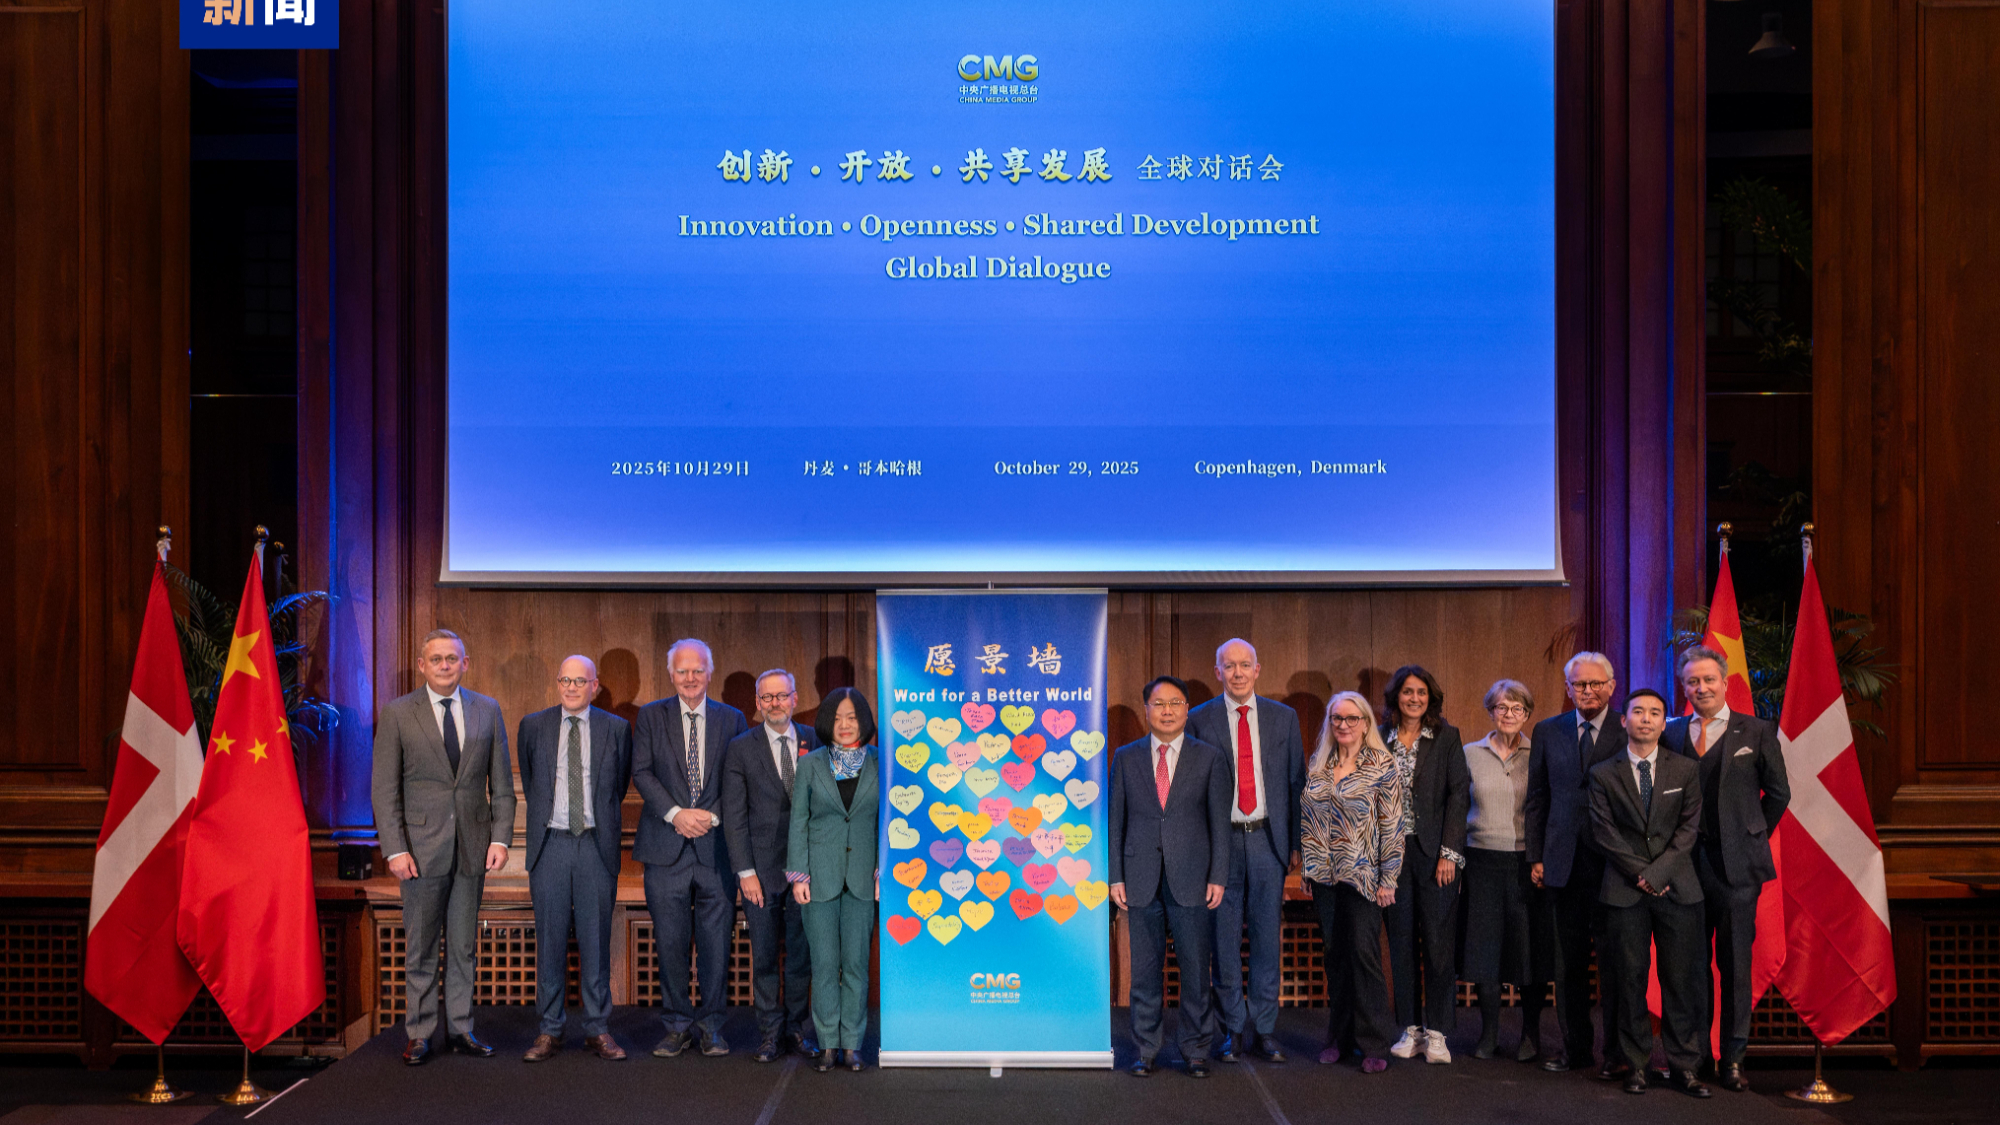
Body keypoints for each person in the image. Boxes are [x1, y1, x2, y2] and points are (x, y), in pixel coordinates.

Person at [370, 629, 515, 1066]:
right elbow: (384, 789)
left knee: (464, 946)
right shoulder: (398, 713)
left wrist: (500, 838)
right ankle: (419, 1033)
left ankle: (461, 1029)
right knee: (421, 948)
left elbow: (502, 786)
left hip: (473, 847)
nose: (445, 666)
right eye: (436, 659)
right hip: (418, 851)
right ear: (422, 665)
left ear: (465, 663)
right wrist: (394, 849)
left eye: (452, 658)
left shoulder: (488, 710)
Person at [1661, 645, 1790, 1092]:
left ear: (1725, 681)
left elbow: (1779, 793)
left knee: (1735, 966)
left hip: (1738, 871)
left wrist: (1751, 835)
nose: (1701, 688)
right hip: (1684, 867)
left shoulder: (1756, 730)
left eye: (1708, 680)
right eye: (1692, 682)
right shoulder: (1670, 732)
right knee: (1691, 966)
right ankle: (1696, 1057)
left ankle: (1733, 1058)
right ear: (1684, 687)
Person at [1186, 638, 1305, 1064]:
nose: (1237, 673)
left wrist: (1296, 842)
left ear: (1258, 670)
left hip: (1268, 840)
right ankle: (1233, 1029)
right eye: (1229, 665)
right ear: (1217, 672)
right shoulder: (1199, 719)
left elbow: (1296, 782)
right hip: (1221, 844)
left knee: (1266, 939)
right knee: (1224, 941)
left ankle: (1265, 1029)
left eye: (1244, 665)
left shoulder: (1283, 718)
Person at [1588, 689, 1709, 1098]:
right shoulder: (1603, 773)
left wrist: (1658, 873)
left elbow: (1689, 829)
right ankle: (1636, 1065)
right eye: (1638, 711)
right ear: (1624, 720)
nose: (1646, 718)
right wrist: (1642, 874)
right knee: (1629, 981)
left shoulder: (1686, 770)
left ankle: (1684, 1067)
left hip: (1678, 888)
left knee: (1681, 981)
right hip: (1624, 890)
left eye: (1655, 713)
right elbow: (1604, 833)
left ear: (1663, 723)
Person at [1109, 675, 1231, 1078]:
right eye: (1158, 704)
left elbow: (1219, 823)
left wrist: (1218, 875)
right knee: (1144, 973)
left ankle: (1195, 1049)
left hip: (1193, 877)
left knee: (1195, 970)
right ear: (1146, 709)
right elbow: (1116, 821)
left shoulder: (1209, 758)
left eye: (1175, 703)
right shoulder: (1126, 757)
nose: (1167, 711)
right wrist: (1116, 876)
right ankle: (1146, 1049)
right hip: (1139, 876)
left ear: (1187, 709)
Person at [632, 638, 747, 1058]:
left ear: (710, 672)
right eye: (682, 670)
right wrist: (676, 813)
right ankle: (677, 1025)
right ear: (671, 674)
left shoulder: (732, 718)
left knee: (717, 945)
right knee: (670, 943)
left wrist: (710, 816)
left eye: (697, 669)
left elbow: (739, 777)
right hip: (665, 849)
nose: (690, 677)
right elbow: (641, 772)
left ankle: (713, 1027)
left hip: (717, 849)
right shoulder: (650, 716)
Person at [517, 655, 632, 1062]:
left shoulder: (616, 728)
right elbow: (531, 781)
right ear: (557, 683)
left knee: (595, 941)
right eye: (565, 680)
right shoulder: (534, 726)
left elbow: (618, 786)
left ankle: (597, 1029)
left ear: (594, 686)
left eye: (579, 681)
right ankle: (549, 1030)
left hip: (596, 846)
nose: (571, 687)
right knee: (549, 941)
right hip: (550, 844)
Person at [1523, 651, 1627, 1076]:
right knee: (1568, 965)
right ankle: (1575, 1049)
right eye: (1579, 684)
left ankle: (1617, 1054)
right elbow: (1537, 798)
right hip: (1561, 864)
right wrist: (1536, 855)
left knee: (1615, 964)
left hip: (1613, 865)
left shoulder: (1629, 727)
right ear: (1568, 688)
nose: (1587, 691)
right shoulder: (1548, 730)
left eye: (1595, 683)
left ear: (1611, 686)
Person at [722, 669, 822, 1063]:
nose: (775, 703)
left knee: (800, 955)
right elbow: (734, 816)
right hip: (760, 873)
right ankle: (769, 1034)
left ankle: (795, 1030)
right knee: (763, 957)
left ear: (795, 698)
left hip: (806, 869)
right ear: (757, 703)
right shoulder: (740, 748)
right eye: (767, 697)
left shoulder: (815, 739)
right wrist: (745, 872)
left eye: (781, 696)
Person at [1301, 691, 1404, 1073]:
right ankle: (1339, 1038)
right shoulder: (1320, 763)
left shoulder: (1382, 765)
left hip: (1364, 877)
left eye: (1351, 718)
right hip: (1323, 876)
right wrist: (1309, 869)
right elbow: (1309, 820)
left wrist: (1389, 878)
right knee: (1335, 956)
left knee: (1364, 954)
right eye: (1336, 718)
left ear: (1365, 723)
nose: (1343, 725)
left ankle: (1374, 1041)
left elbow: (1392, 826)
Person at [1378, 665, 1469, 1065]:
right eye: (1407, 692)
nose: (1414, 698)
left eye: (1421, 692)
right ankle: (1410, 1028)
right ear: (1396, 697)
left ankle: (1438, 1032)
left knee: (1437, 944)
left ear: (1430, 698)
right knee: (1400, 943)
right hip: (1392, 855)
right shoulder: (1378, 737)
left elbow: (1459, 795)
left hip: (1435, 856)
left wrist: (1450, 852)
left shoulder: (1446, 737)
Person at [786, 687, 879, 1073]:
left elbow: (890, 822)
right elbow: (799, 821)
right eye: (838, 718)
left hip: (863, 879)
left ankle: (852, 1044)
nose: (844, 725)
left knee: (855, 963)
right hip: (818, 878)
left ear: (863, 721)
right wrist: (798, 875)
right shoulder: (810, 764)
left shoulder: (880, 762)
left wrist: (882, 871)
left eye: (852, 717)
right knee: (824, 964)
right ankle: (827, 1043)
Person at [1459, 680, 1551, 1062]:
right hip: (1480, 860)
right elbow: (1455, 808)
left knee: (1528, 951)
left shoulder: (1539, 753)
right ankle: (1489, 1034)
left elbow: (1547, 807)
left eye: (1517, 708)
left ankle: (1530, 1034)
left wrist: (1541, 857)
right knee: (1485, 951)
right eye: (1501, 707)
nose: (1509, 714)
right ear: (1490, 711)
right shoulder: (1469, 753)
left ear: (1527, 714)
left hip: (1527, 862)